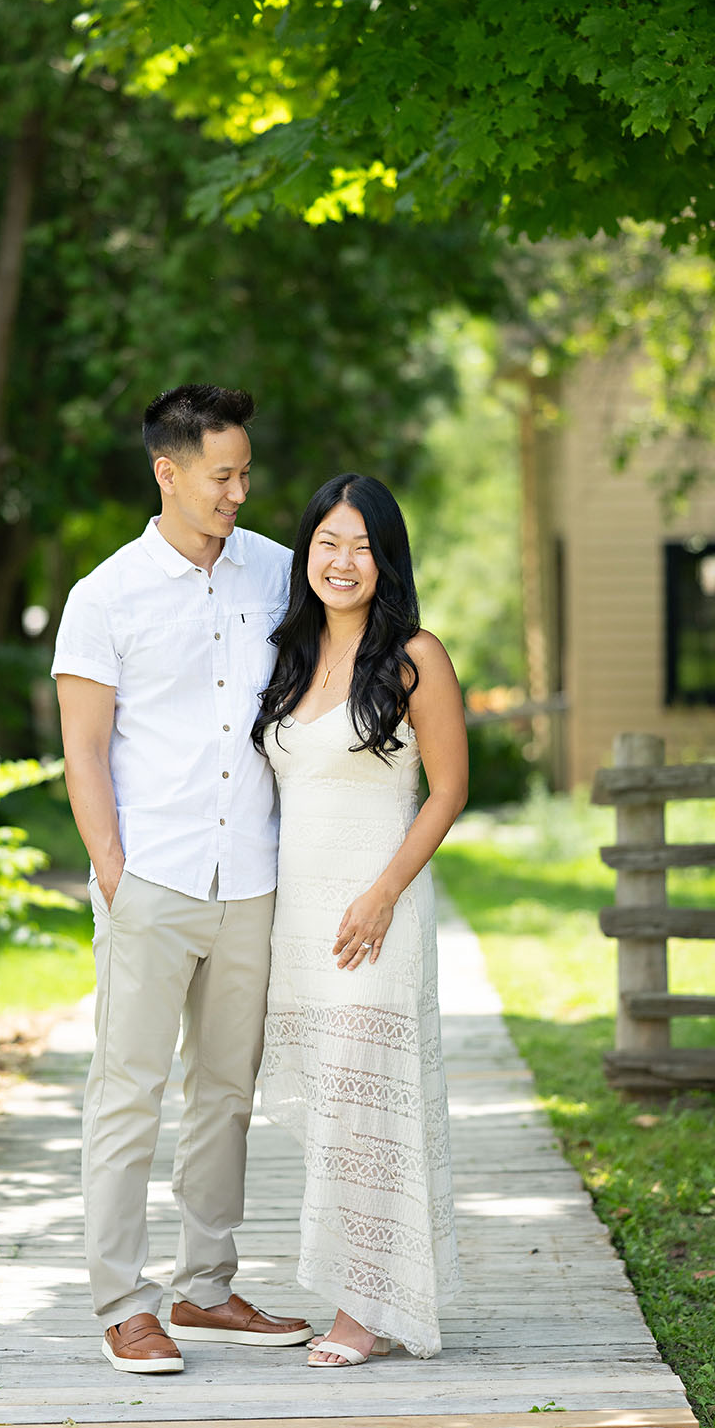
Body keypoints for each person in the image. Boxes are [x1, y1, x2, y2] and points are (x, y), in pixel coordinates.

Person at [52, 384, 314, 1374]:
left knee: (225, 1091)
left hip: (250, 875)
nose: (239, 492)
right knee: (126, 1092)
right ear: (167, 474)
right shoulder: (102, 596)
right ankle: (122, 1304)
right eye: (221, 476)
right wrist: (114, 872)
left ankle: (203, 1289)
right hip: (151, 875)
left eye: (245, 473)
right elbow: (83, 752)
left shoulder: (279, 576)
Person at [252, 472, 466, 1365]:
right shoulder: (289, 657)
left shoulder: (416, 656)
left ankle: (363, 1309)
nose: (343, 562)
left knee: (366, 1112)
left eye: (362, 546)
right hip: (299, 918)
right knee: (335, 1109)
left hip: (377, 912)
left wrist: (382, 892)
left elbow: (449, 790)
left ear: (388, 558)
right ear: (308, 553)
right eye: (328, 543)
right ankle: (367, 1290)